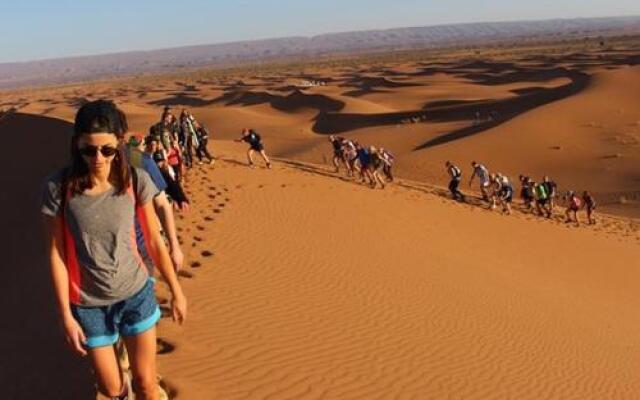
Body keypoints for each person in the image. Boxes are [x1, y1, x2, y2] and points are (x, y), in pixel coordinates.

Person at [41, 100, 187, 400]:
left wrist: (176, 289)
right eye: (88, 149)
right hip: (89, 304)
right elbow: (56, 254)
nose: (98, 158)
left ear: (119, 143)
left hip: (135, 293)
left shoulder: (135, 179)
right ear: (76, 145)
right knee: (111, 389)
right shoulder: (58, 188)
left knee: (146, 383)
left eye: (107, 150)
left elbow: (154, 240)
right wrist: (65, 315)